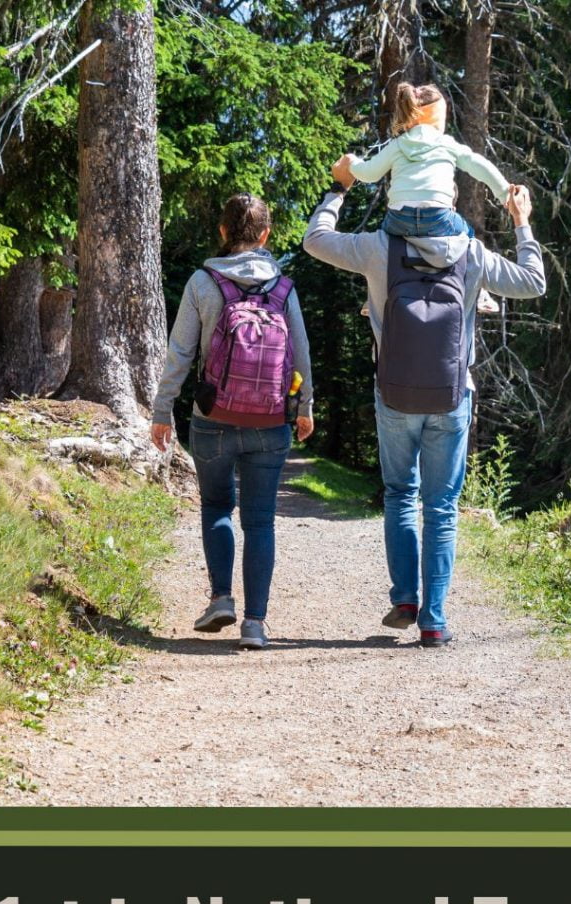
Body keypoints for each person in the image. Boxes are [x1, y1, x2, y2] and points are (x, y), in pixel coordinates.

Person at [302, 165, 544, 647]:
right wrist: (521, 221)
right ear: (450, 202)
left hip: (393, 393)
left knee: (400, 494)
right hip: (451, 394)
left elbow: (315, 240)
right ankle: (433, 620)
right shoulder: (472, 252)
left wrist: (339, 187)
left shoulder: (377, 247)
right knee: (441, 507)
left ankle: (404, 600)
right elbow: (533, 282)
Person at [151, 193, 314, 650]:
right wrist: (305, 406)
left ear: (223, 232)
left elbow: (180, 352)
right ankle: (255, 624)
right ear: (265, 236)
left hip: (213, 416)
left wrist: (163, 410)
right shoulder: (283, 287)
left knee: (217, 506)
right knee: (260, 521)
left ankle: (221, 598)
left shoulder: (203, 282)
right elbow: (301, 352)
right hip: (270, 420)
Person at [335, 82, 513, 315]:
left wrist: (352, 163)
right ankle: (481, 294)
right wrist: (504, 192)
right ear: (437, 117)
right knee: (468, 238)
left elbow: (369, 174)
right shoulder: (446, 144)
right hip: (438, 217)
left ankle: (375, 297)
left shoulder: (398, 145)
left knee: (383, 247)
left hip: (400, 219)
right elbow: (479, 165)